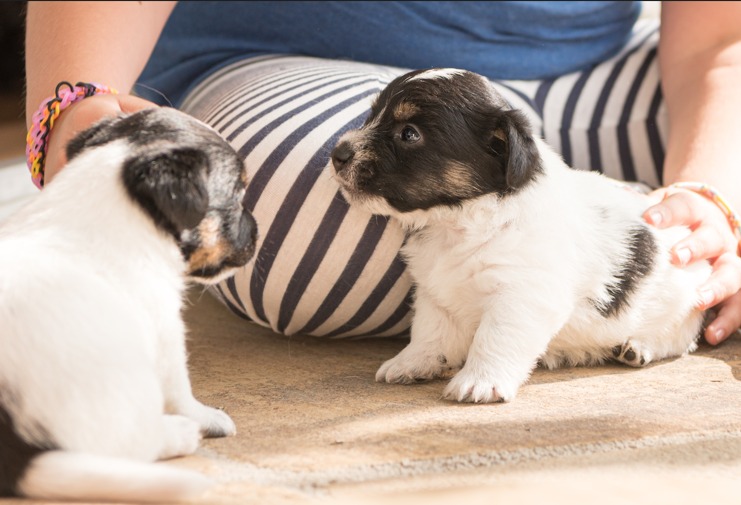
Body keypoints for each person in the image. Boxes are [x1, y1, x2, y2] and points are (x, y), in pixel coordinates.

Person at [25, 1, 741, 344]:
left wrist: (712, 197)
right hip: (295, 70)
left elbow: (718, 42)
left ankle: (585, 242)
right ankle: (583, 235)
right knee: (304, 228)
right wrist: (77, 109)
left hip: (598, 69)